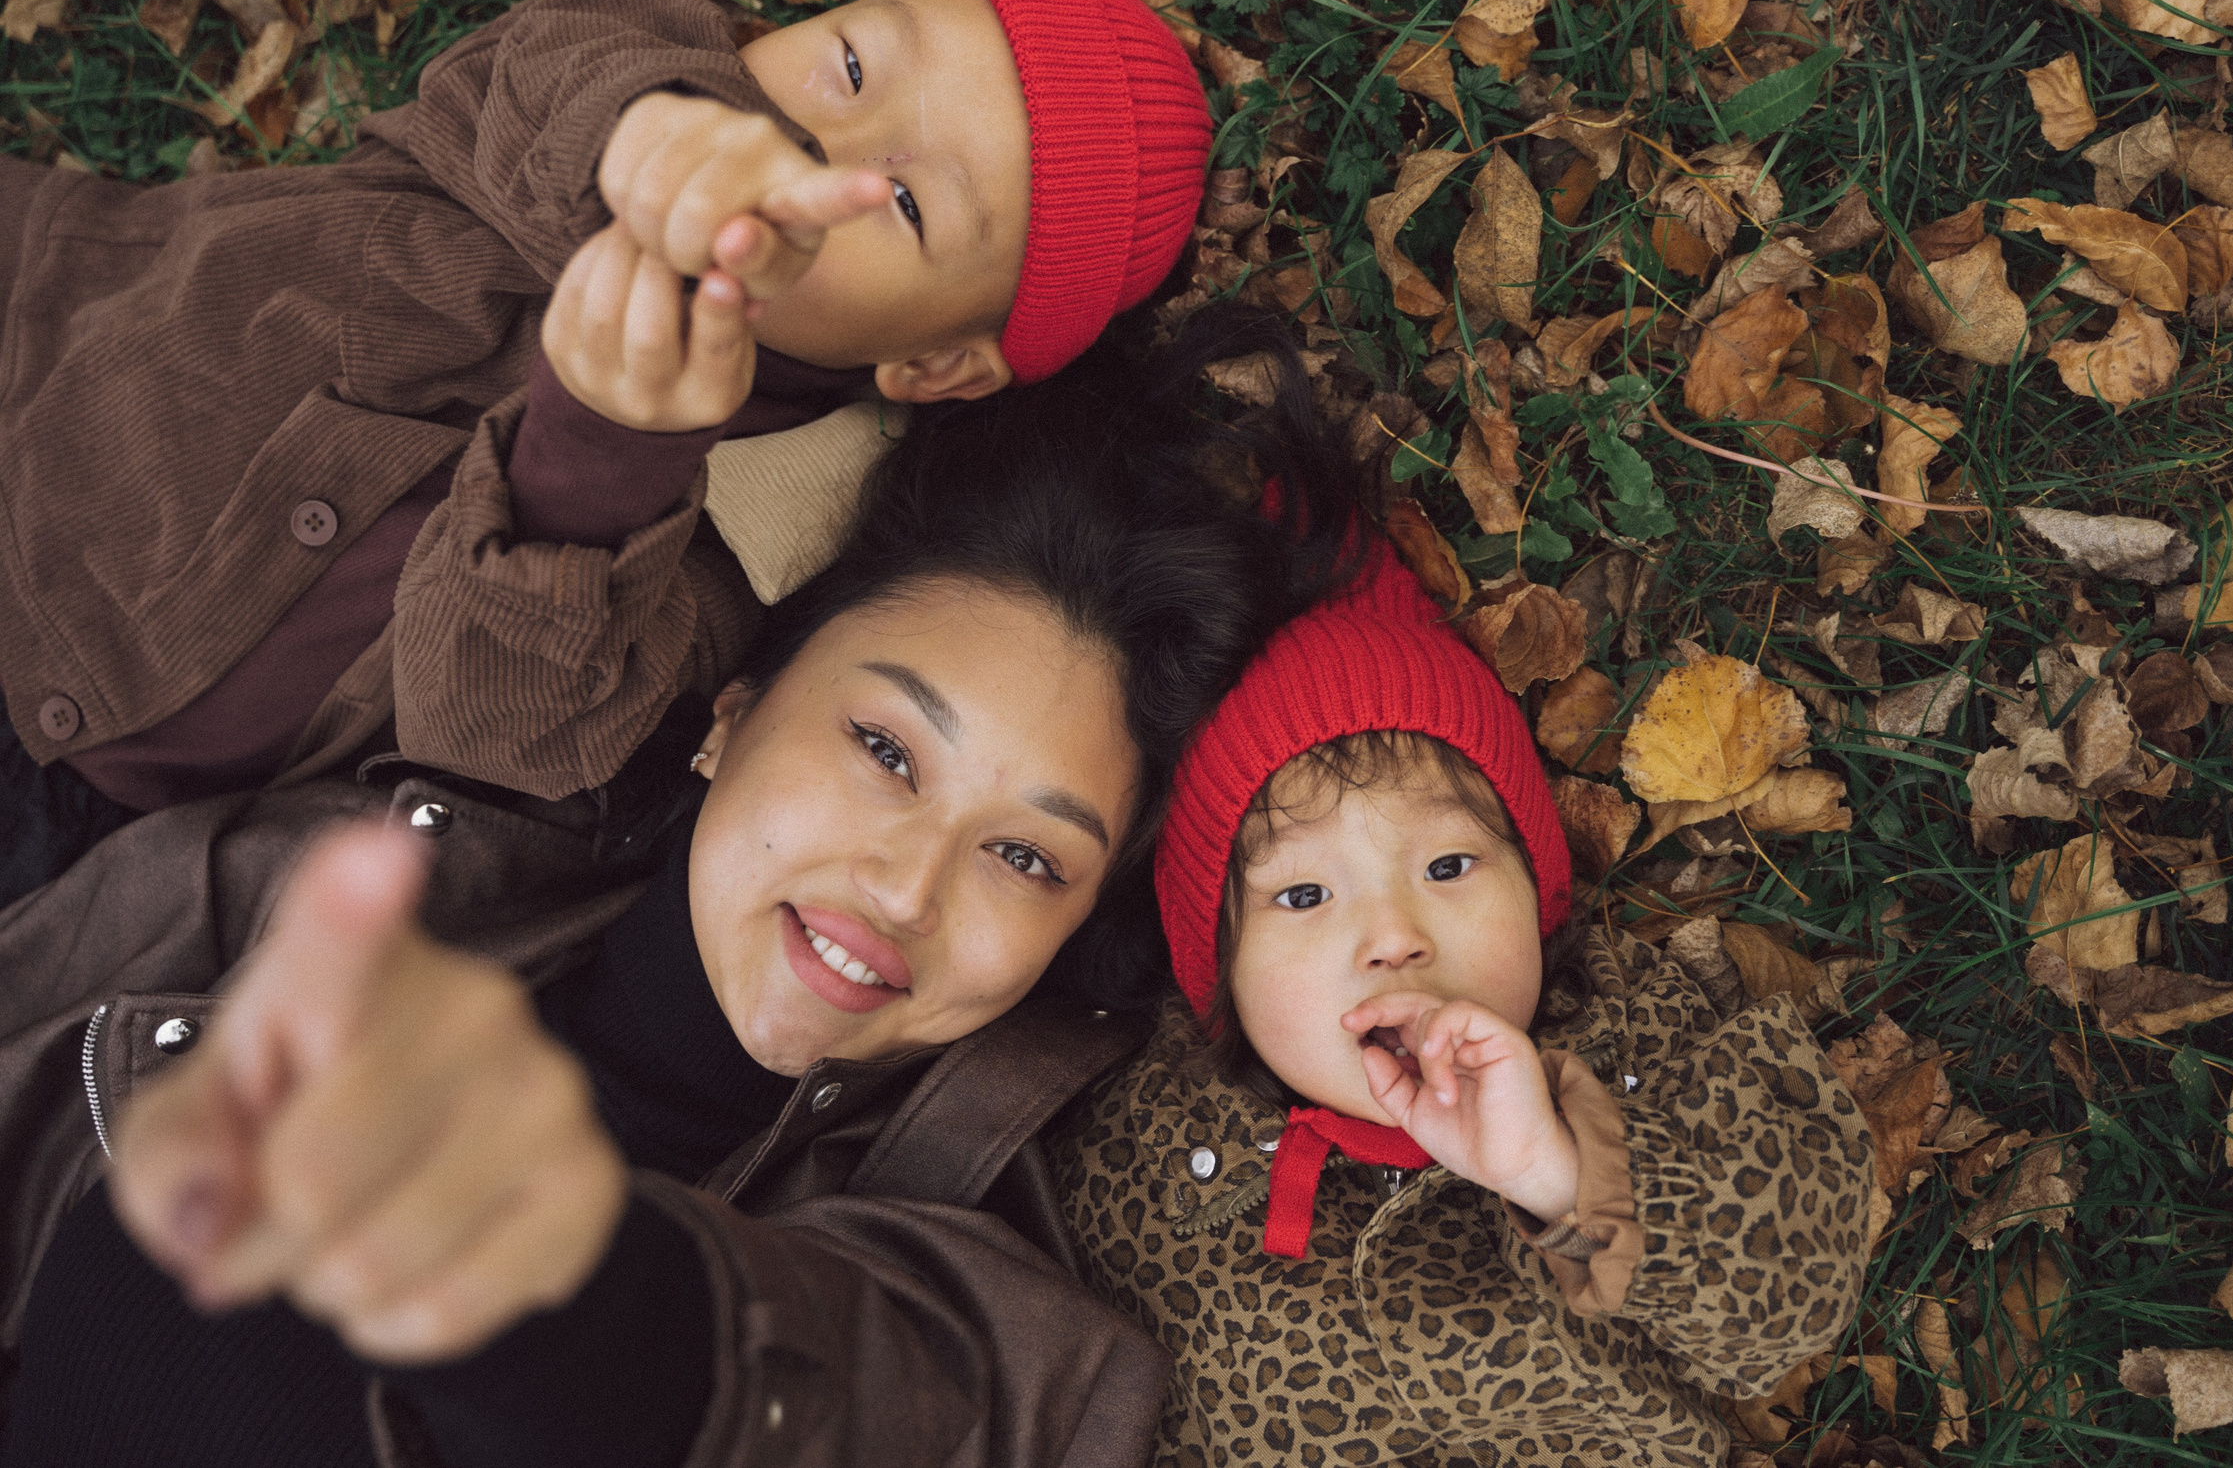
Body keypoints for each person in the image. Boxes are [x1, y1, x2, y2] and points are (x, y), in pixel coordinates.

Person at [0, 312, 1353, 1468]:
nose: (905, 880)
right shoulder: (327, 869)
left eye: (1026, 856)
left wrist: (548, 1271)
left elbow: (873, 1393)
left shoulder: (982, 1306)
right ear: (730, 713)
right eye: (885, 748)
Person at [0, 0, 1211, 903]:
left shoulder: (767, 552)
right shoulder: (626, 70)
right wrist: (653, 140)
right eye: (848, 65)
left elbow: (494, 742)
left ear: (938, 368)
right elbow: (552, 60)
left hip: (83, 793)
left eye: (899, 202)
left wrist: (601, 458)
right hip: (42, 344)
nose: (815, 138)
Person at [1050, 543, 1877, 1466]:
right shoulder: (1142, 1124)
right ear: (1219, 976)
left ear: (1539, 889)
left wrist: (1563, 1176)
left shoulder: (1627, 1038)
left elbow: (1793, 1300)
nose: (1393, 933)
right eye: (1305, 895)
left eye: (1448, 866)